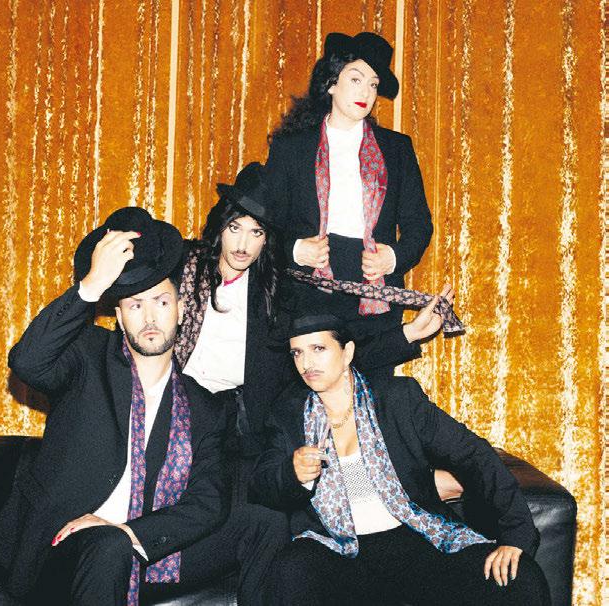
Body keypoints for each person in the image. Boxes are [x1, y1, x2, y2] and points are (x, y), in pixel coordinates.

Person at [0, 207, 287, 606]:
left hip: (142, 547)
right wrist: (90, 287)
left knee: (264, 523)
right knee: (109, 547)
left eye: (161, 302)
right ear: (120, 318)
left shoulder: (203, 406)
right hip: (64, 550)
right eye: (135, 306)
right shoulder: (87, 358)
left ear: (181, 309)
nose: (150, 318)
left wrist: (132, 532)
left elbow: (207, 504)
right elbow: (27, 362)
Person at [174, 163, 450, 501]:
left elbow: (334, 351)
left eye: (256, 232)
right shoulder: (184, 266)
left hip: (240, 427)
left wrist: (407, 334)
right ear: (221, 226)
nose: (243, 244)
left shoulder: (278, 295)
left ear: (267, 239)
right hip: (176, 408)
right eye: (235, 228)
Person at [250, 313, 550, 606]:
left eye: (318, 348)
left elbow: (474, 454)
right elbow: (261, 483)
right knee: (291, 571)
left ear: (347, 352)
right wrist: (292, 473)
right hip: (338, 549)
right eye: (297, 353)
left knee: (521, 579)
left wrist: (515, 534)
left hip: (414, 536)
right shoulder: (288, 414)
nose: (306, 363)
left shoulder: (397, 399)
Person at [265, 32, 433, 378]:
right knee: (312, 393)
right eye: (356, 79)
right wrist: (296, 250)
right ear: (331, 83)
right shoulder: (291, 148)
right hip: (309, 286)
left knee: (372, 391)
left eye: (373, 85)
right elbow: (267, 224)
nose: (365, 93)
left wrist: (394, 257)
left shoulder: (396, 149)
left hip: (374, 288)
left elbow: (419, 224)